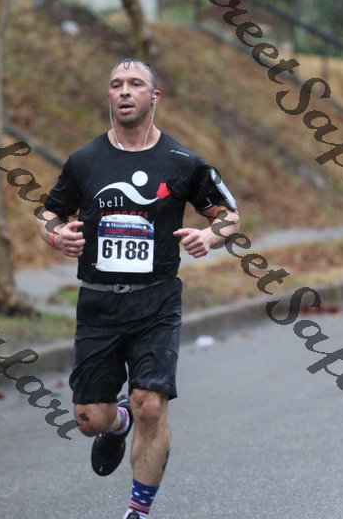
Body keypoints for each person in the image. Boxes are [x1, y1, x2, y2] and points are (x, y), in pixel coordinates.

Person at [36, 58, 239, 519]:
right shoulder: (84, 160)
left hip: (157, 301)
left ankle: (137, 511)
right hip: (98, 302)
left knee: (151, 404)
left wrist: (210, 236)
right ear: (109, 96)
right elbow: (48, 212)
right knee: (89, 420)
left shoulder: (184, 161)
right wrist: (55, 234)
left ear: (154, 96)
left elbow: (229, 215)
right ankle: (118, 421)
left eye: (135, 84)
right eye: (116, 84)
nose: (125, 91)